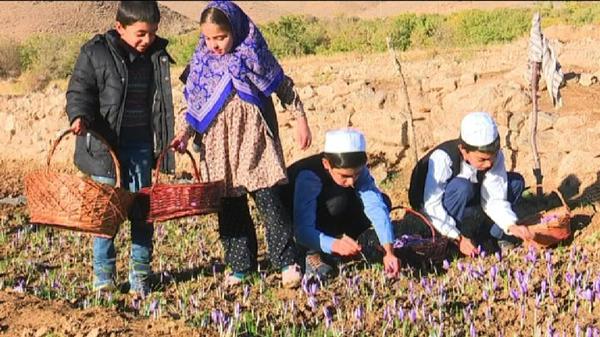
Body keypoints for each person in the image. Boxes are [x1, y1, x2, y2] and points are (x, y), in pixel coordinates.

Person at [170, 1, 312, 288]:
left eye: (220, 37)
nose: (214, 45)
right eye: (208, 38)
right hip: (218, 145)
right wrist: (184, 135)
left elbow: (282, 86)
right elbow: (194, 105)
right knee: (230, 205)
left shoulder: (253, 54)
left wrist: (300, 119)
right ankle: (240, 265)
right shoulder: (201, 63)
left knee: (269, 200)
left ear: (234, 29)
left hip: (254, 140)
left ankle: (286, 262)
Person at [66, 1, 175, 296]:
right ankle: (104, 279)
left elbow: (162, 105)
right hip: (104, 151)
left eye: (152, 33)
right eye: (141, 33)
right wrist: (79, 116)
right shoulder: (95, 52)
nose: (147, 40)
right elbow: (80, 90)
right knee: (106, 215)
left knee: (143, 212)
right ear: (120, 28)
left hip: (141, 147)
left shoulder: (156, 56)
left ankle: (140, 275)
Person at [280, 128, 400, 281]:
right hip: (297, 217)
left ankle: (341, 245)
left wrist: (389, 251)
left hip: (331, 205)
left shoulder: (356, 171)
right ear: (326, 164)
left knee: (383, 201)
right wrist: (333, 244)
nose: (351, 181)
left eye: (356, 174)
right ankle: (311, 252)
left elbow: (375, 205)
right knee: (337, 202)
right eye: (345, 176)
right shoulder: (309, 176)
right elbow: (302, 229)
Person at [408, 112, 533, 257]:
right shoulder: (443, 159)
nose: (489, 164)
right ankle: (450, 243)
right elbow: (431, 206)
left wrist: (510, 225)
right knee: (462, 187)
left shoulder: (493, 157)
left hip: (469, 202)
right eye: (482, 159)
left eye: (491, 158)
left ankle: (490, 237)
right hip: (434, 212)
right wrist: (457, 237)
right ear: (463, 150)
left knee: (515, 183)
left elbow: (494, 198)